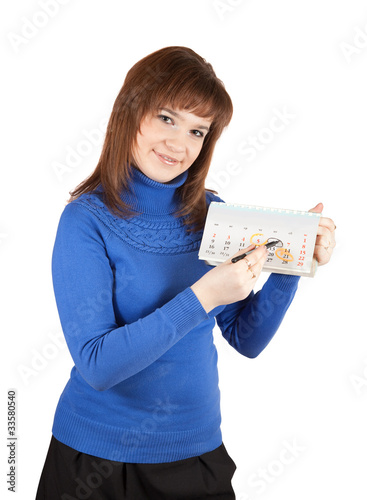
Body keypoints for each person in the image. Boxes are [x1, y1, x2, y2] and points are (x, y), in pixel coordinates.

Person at [35, 46, 336, 500]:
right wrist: (202, 297)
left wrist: (292, 262)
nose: (179, 144)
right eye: (167, 118)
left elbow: (246, 339)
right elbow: (96, 364)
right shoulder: (86, 220)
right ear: (130, 111)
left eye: (198, 130)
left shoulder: (212, 212)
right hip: (96, 464)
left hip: (196, 456)